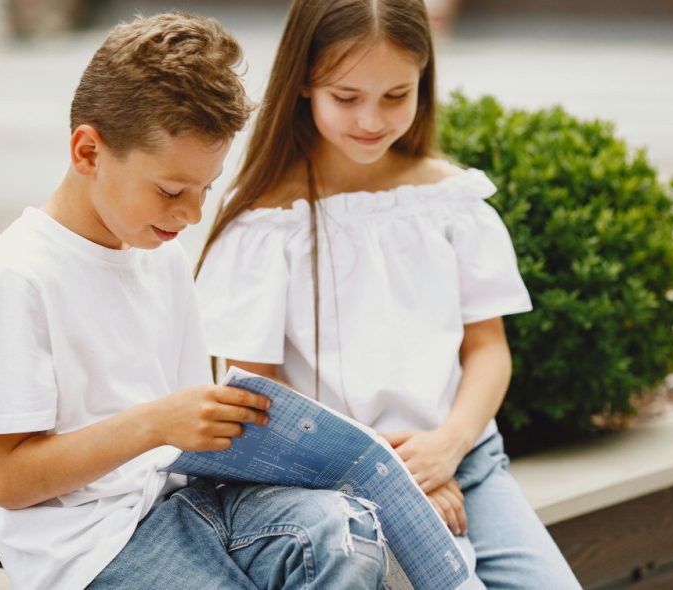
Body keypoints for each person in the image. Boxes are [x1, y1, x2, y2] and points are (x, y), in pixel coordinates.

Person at [0, 12, 388, 590]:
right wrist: (157, 423)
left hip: (186, 502)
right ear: (88, 152)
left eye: (206, 188)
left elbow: (182, 437)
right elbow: (7, 477)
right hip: (92, 546)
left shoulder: (160, 255)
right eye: (170, 190)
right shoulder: (20, 276)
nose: (191, 215)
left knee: (346, 536)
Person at [195, 1, 582, 588]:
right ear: (303, 82)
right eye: (347, 97)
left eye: (396, 96)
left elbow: (488, 350)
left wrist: (447, 448)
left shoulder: (449, 201)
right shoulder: (265, 223)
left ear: (423, 82)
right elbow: (263, 403)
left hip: (466, 463)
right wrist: (396, 480)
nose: (372, 120)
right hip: (340, 486)